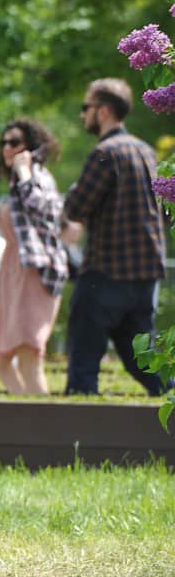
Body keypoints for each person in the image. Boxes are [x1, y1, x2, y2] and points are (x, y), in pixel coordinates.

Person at [64, 78, 168, 396]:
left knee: (83, 360)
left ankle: (77, 436)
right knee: (145, 361)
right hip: (145, 275)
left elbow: (77, 208)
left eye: (87, 108)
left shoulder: (105, 153)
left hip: (106, 273)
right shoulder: (147, 152)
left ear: (104, 111)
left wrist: (69, 196)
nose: (83, 115)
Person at [0, 119, 70, 395]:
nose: (7, 148)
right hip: (15, 276)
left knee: (28, 360)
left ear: (31, 146)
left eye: (14, 142)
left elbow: (48, 210)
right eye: (3, 143)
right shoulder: (19, 181)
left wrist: (24, 172)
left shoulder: (37, 176)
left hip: (34, 276)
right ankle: (29, 421)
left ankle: (45, 431)